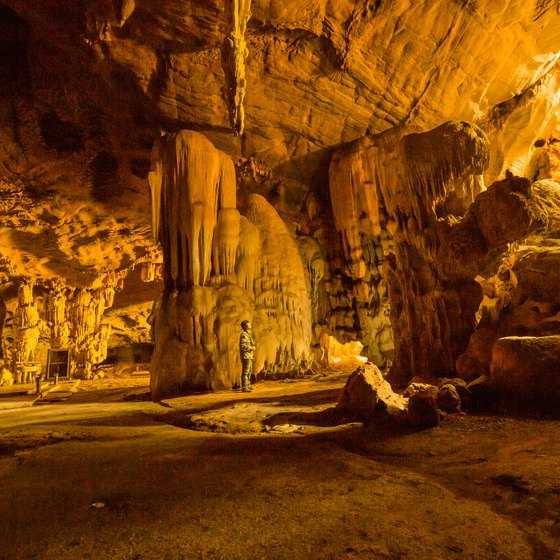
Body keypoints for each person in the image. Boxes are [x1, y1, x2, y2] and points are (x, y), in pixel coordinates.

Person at [239, 320, 255, 392]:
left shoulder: (248, 334)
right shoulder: (244, 335)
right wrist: (251, 348)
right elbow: (243, 346)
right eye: (248, 323)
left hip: (249, 355)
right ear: (245, 326)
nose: (250, 324)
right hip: (246, 356)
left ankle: (248, 385)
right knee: (246, 371)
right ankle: (244, 387)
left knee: (249, 371)